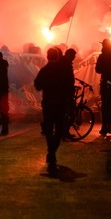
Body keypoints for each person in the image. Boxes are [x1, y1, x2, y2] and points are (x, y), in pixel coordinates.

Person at [34, 47, 74, 176]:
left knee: (49, 129)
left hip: (48, 103)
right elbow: (70, 84)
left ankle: (51, 152)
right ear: (57, 56)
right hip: (60, 103)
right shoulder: (63, 70)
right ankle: (52, 152)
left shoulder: (44, 70)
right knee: (60, 129)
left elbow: (37, 85)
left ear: (47, 56)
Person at [95, 39, 111, 135]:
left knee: (105, 107)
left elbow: (98, 69)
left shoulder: (102, 56)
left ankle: (105, 127)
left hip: (105, 83)